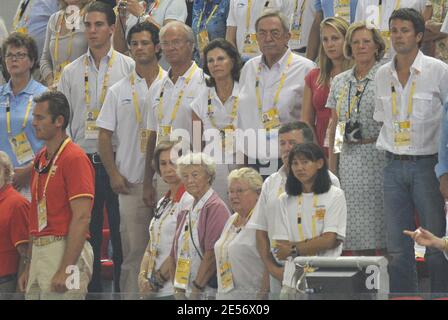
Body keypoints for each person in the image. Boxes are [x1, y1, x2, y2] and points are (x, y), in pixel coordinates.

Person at [58, 1, 135, 294]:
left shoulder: (128, 68)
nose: (91, 30)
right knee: (82, 234)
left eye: (99, 24)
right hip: (82, 162)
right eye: (87, 25)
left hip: (117, 163)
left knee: (120, 235)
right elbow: (64, 122)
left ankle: (119, 291)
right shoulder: (70, 72)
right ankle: (86, 292)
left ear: (112, 28)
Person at [373, 8, 448, 293]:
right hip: (392, 164)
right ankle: (404, 297)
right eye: (393, 30)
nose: (398, 36)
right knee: (397, 245)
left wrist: (444, 170)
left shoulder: (439, 70)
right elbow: (382, 118)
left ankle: (441, 296)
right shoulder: (382, 73)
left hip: (428, 165)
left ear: (418, 36)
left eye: (405, 30)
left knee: (435, 240)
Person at [97, 21, 166, 294]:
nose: (138, 48)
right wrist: (113, 174)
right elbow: (103, 136)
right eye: (134, 43)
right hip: (130, 183)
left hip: (165, 182)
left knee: (166, 251)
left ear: (157, 46)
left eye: (145, 42)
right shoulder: (118, 89)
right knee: (132, 255)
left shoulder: (170, 84)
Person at [247, 121, 340, 297]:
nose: (287, 148)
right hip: (279, 272)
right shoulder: (271, 182)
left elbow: (331, 236)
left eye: (293, 143)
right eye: (283, 143)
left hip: (316, 270)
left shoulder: (328, 181)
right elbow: (260, 230)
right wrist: (272, 268)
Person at [19, 91, 94, 300]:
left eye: (40, 117)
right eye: (34, 117)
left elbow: (82, 217)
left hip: (64, 249)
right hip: (39, 252)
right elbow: (36, 217)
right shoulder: (41, 158)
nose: (33, 123)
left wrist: (67, 267)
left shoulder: (75, 157)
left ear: (59, 121)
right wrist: (28, 266)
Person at [326, 22, 386, 254]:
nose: (361, 46)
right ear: (349, 47)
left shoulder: (385, 75)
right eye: (356, 42)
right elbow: (336, 126)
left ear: (376, 46)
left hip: (377, 156)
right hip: (349, 159)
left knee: (381, 224)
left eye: (366, 42)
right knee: (351, 225)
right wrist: (333, 168)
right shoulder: (340, 81)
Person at [236, 9, 315, 175]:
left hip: (289, 158)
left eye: (275, 33)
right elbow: (241, 118)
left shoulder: (306, 68)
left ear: (288, 36)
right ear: (256, 37)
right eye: (262, 33)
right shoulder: (249, 67)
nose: (268, 39)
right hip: (252, 158)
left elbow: (309, 120)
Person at [143, 21, 205, 208]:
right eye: (165, 43)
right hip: (164, 172)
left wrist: (197, 173)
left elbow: (203, 134)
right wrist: (147, 179)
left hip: (192, 172)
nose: (170, 47)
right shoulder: (157, 85)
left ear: (190, 45)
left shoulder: (204, 82)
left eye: (176, 42)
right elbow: (152, 135)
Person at [271, 143, 347, 283]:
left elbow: (329, 240)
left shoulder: (335, 195)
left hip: (326, 274)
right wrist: (316, 242)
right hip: (293, 277)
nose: (299, 168)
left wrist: (293, 249)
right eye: (295, 163)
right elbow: (281, 247)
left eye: (305, 162)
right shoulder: (283, 200)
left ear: (319, 163)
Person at [138, 139, 193, 299]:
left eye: (173, 162)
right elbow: (151, 244)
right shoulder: (163, 201)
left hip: (173, 289)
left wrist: (155, 282)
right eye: (163, 163)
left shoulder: (189, 200)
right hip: (152, 288)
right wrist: (142, 275)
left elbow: (181, 250)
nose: (168, 168)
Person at [171, 152, 230, 300]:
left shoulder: (216, 207)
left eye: (195, 174)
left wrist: (196, 291)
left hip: (206, 292)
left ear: (208, 176)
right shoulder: (186, 208)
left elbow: (211, 256)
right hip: (185, 289)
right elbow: (175, 250)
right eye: (185, 176)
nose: (189, 180)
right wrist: (178, 289)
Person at [190, 38, 242, 205]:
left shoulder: (246, 93)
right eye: (210, 60)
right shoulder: (201, 99)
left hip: (242, 163)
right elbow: (197, 144)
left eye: (221, 59)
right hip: (213, 168)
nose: (215, 64)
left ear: (232, 61)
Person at [0, 32, 47, 198]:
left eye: (20, 55)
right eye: (9, 55)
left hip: (32, 177)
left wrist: (30, 170)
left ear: (32, 60)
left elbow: (56, 141)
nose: (14, 59)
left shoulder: (44, 96)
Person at [214, 167, 268, 299]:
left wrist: (261, 296)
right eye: (231, 191)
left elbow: (269, 265)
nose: (233, 196)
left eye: (239, 191)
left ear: (258, 193)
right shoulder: (232, 219)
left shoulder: (262, 221)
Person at [301, 16, 351, 156]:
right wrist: (316, 152)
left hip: (350, 145)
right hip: (320, 145)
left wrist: (337, 149)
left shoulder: (356, 74)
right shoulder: (314, 76)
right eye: (325, 39)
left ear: (347, 40)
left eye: (335, 38)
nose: (329, 44)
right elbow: (306, 120)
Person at [354, 0, 430, 62]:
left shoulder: (420, 1)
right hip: (372, 66)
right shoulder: (364, 1)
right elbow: (357, 34)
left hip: (409, 66)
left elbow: (428, 32)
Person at [40, 0, 93, 89]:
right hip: (56, 91)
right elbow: (45, 58)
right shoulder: (54, 18)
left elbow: (97, 59)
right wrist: (51, 81)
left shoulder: (91, 16)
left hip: (83, 89)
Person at [0, 151, 29, 295]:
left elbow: (26, 252)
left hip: (6, 283)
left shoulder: (16, 204)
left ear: (5, 172)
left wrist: (18, 294)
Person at [114, 0, 187, 56]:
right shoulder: (137, 5)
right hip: (136, 72)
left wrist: (141, 15)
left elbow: (171, 39)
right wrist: (121, 15)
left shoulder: (175, 2)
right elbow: (119, 50)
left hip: (163, 72)